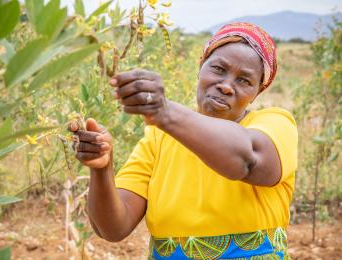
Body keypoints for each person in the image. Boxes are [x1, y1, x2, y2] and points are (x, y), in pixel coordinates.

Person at [69, 22, 298, 259]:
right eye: (219, 69)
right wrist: (102, 168)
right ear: (201, 67)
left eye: (244, 81)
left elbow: (247, 159)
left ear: (257, 93)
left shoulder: (275, 125)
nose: (226, 86)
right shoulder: (159, 137)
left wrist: (165, 112)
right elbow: (113, 228)